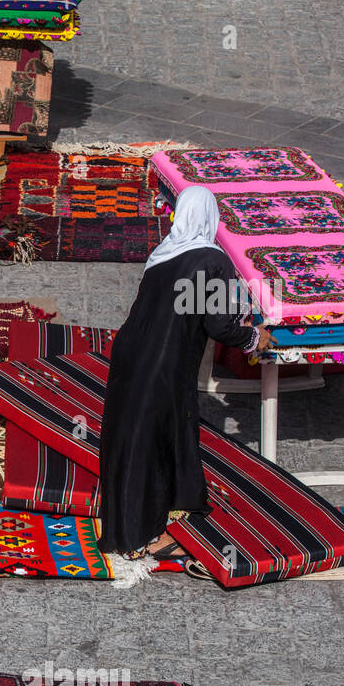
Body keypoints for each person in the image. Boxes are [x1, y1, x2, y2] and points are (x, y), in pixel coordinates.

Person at [98, 185, 272, 557]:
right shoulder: (212, 259)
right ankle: (148, 534)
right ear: (211, 218)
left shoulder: (162, 255)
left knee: (129, 436)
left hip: (130, 354)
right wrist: (254, 337)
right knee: (160, 438)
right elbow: (220, 325)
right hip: (166, 362)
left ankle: (123, 528)